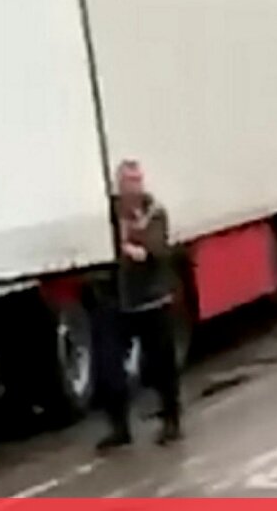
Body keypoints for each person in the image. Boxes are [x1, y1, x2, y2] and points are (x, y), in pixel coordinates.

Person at [94, 159, 183, 450]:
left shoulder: (154, 212)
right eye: (128, 181)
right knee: (109, 367)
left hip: (152, 300)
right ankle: (119, 427)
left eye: (137, 180)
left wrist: (136, 246)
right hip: (118, 302)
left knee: (161, 364)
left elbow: (155, 248)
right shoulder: (108, 214)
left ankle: (172, 419)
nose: (134, 186)